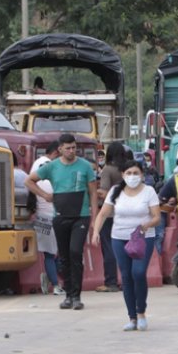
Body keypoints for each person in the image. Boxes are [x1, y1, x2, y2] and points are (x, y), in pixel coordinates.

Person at [25, 134, 98, 310]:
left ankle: (77, 296)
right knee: (63, 257)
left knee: (75, 253)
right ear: (60, 149)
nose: (71, 151)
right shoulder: (51, 167)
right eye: (68, 148)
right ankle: (68, 295)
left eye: (74, 147)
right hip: (60, 216)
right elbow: (29, 181)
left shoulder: (85, 166)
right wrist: (45, 195)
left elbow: (93, 193)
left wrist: (94, 218)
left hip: (80, 216)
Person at [92, 160, 161, 331]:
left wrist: (147, 225)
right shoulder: (115, 191)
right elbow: (103, 214)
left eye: (135, 173)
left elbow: (157, 217)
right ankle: (132, 317)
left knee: (138, 273)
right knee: (126, 276)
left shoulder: (149, 192)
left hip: (143, 237)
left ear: (142, 175)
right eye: (128, 173)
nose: (132, 177)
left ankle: (141, 311)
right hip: (119, 237)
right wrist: (95, 232)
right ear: (123, 175)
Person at [29, 141, 64, 296]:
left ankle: (51, 279)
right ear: (57, 152)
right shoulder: (50, 166)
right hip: (52, 215)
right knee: (53, 254)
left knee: (50, 253)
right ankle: (56, 285)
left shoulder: (37, 164)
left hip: (41, 215)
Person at [95, 142, 127, 292]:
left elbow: (105, 192)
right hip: (127, 214)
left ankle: (111, 282)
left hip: (110, 214)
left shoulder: (108, 170)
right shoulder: (128, 169)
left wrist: (94, 191)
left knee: (109, 248)